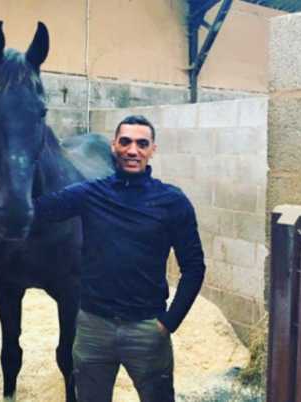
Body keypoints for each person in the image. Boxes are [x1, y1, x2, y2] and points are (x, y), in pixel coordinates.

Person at [34, 115, 206, 402]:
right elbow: (39, 210)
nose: (132, 150)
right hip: (92, 329)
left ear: (153, 149)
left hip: (146, 330)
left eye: (142, 143)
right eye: (125, 142)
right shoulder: (91, 194)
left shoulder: (173, 202)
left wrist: (168, 323)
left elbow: (194, 267)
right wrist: (9, 171)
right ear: (114, 145)